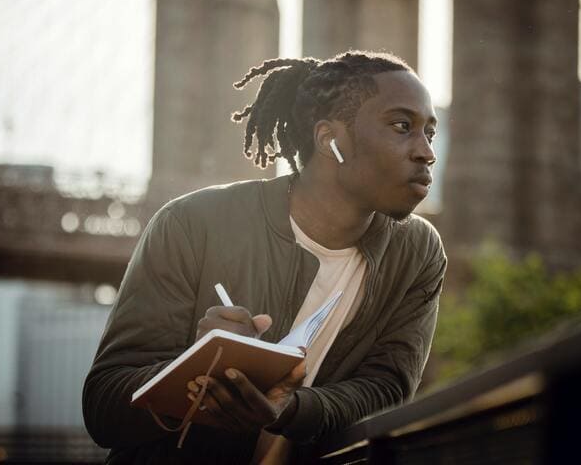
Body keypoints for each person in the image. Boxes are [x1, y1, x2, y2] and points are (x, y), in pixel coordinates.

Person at [83, 51, 446, 464]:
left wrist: (288, 410)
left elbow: (387, 390)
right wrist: (194, 370)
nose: (426, 152)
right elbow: (103, 408)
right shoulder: (191, 223)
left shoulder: (418, 253)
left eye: (430, 133)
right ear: (331, 140)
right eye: (402, 126)